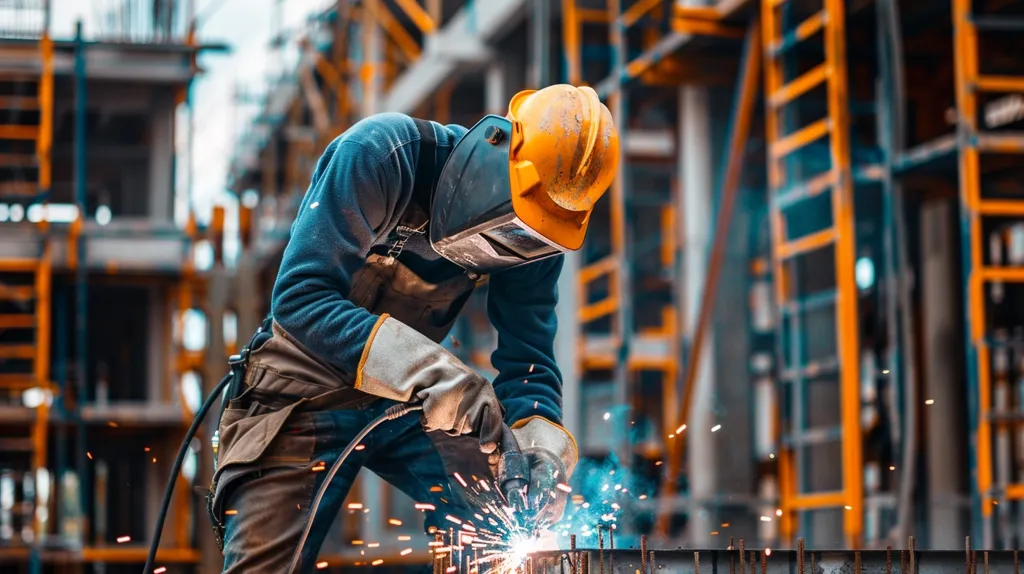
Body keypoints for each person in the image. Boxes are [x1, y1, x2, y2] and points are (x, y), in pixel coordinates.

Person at [206, 84, 619, 573]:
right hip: (300, 394)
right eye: (513, 225)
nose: (512, 246)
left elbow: (529, 362)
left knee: (496, 516)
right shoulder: (382, 157)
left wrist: (538, 441)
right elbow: (300, 300)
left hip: (412, 404)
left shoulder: (540, 229)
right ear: (496, 148)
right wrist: (434, 373)